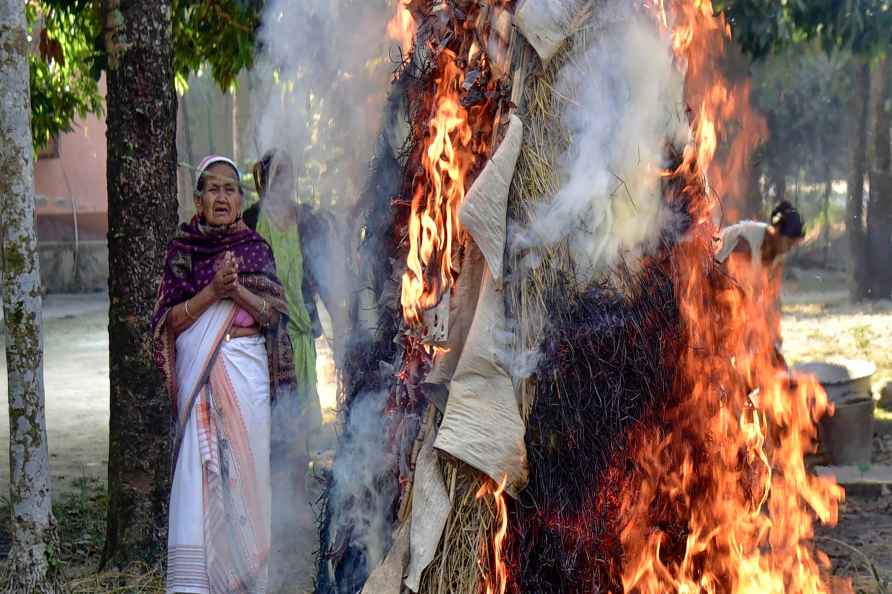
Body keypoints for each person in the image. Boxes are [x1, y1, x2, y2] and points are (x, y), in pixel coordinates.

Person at [152, 155, 295, 594]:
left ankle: (245, 577)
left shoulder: (256, 250)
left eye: (229, 189)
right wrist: (212, 292)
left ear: (240, 199)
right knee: (201, 476)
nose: (221, 196)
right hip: (200, 382)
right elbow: (167, 323)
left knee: (246, 476)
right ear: (197, 199)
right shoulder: (183, 251)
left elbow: (274, 317)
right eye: (212, 189)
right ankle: (198, 584)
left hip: (246, 375)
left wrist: (238, 293)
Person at [716, 201, 806, 369]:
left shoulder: (777, 256)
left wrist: (773, 337)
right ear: (776, 232)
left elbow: (771, 299)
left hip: (737, 310)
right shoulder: (745, 242)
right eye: (789, 242)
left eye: (794, 244)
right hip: (712, 299)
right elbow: (726, 286)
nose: (790, 248)